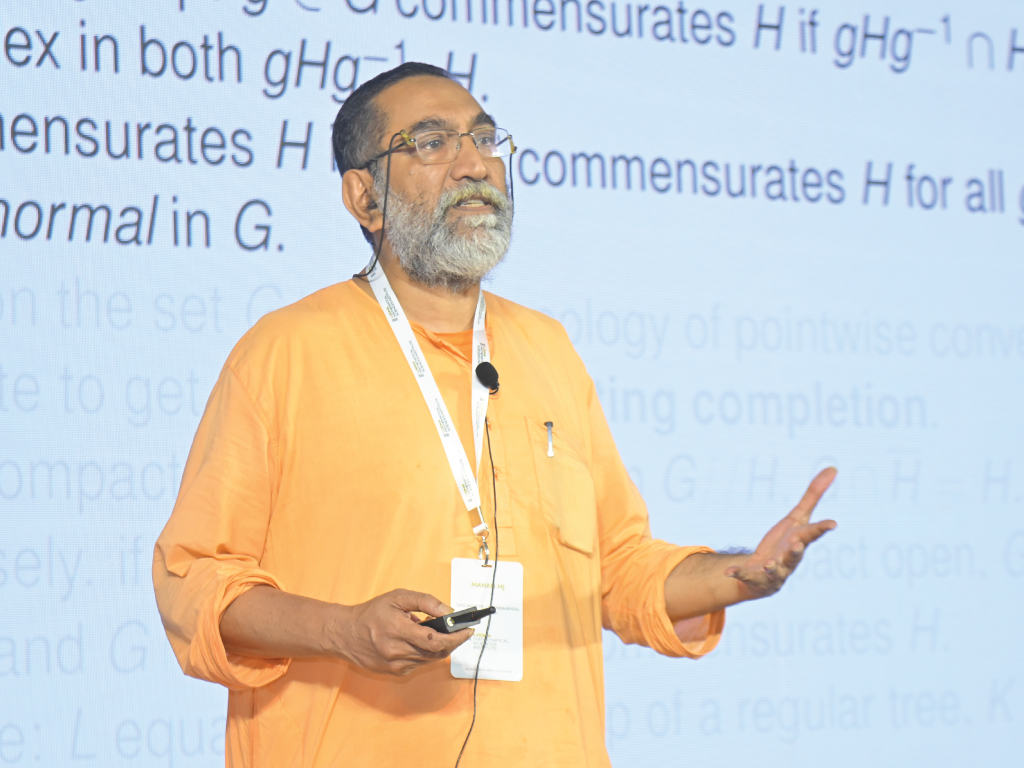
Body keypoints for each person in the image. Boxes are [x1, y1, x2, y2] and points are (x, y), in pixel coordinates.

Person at [152, 61, 837, 767]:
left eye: (484, 140)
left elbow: (619, 568)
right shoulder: (286, 351)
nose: (474, 165)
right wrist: (344, 630)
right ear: (364, 197)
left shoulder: (547, 348)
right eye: (431, 143)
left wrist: (742, 572)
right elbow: (193, 581)